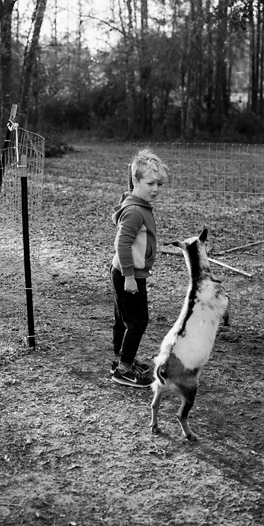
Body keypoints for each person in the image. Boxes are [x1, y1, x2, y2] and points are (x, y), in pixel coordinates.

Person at [109, 148, 170, 388]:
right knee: (138, 322)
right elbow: (122, 244)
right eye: (150, 183)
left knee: (123, 320)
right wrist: (130, 277)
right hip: (128, 275)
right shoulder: (135, 211)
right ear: (136, 180)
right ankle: (123, 369)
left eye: (159, 184)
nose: (155, 189)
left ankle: (121, 360)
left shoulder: (138, 204)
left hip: (125, 273)